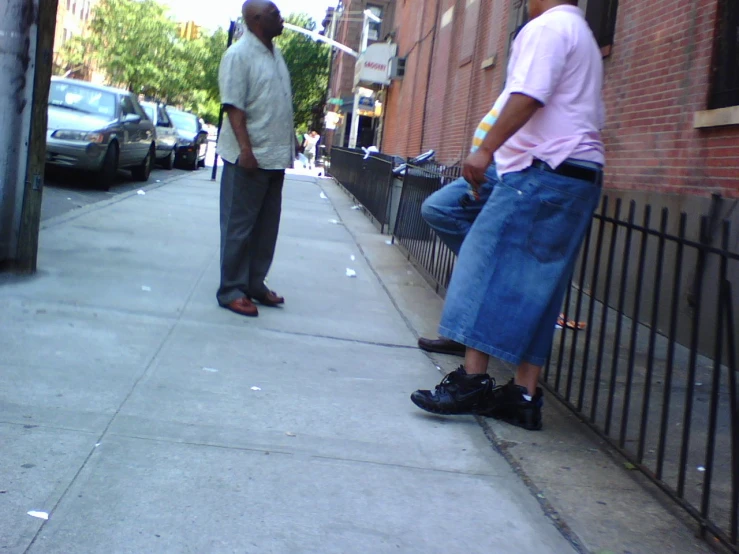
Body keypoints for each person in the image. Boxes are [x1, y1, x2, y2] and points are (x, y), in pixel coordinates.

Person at [411, 0, 605, 431]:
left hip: (541, 170)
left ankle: (471, 381)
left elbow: (528, 95)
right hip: (578, 174)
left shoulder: (547, 28)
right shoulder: (583, 34)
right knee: (542, 287)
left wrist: (484, 149)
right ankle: (523, 396)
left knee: (485, 262)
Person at [215, 0, 295, 318]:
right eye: (275, 13)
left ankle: (254, 284)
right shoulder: (238, 55)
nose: (282, 18)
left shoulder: (275, 54)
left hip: (274, 157)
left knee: (265, 229)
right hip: (249, 158)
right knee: (239, 228)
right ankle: (231, 290)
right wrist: (245, 150)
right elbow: (234, 106)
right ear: (257, 19)